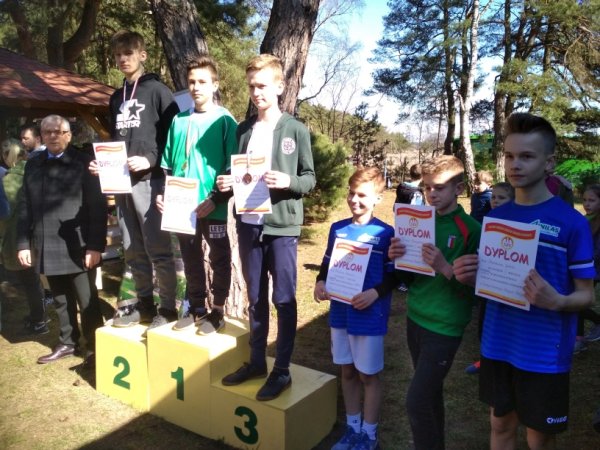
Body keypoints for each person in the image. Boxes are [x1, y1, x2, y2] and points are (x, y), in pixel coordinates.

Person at [453, 113, 595, 449]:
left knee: (538, 437)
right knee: (500, 425)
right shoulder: (495, 217)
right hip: (497, 344)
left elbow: (586, 296)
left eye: (527, 156)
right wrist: (470, 276)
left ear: (549, 163)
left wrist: (557, 301)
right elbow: (493, 282)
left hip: (543, 351)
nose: (515, 164)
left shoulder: (572, 223)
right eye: (509, 155)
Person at [216, 54, 315, 401]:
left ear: (279, 86)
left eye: (262, 86)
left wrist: (288, 180)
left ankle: (282, 370)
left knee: (283, 299)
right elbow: (240, 173)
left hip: (282, 227)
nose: (256, 93)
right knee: (256, 299)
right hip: (248, 224)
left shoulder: (295, 129)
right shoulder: (244, 130)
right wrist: (227, 182)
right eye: (251, 87)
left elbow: (309, 178)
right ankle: (257, 362)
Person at [388, 155, 481, 450]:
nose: (432, 194)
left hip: (445, 327)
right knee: (430, 396)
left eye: (439, 187)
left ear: (459, 188)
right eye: (427, 187)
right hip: (416, 317)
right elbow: (409, 277)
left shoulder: (471, 230)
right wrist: (397, 258)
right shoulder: (418, 221)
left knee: (416, 402)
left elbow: (479, 291)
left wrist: (444, 267)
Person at [90, 30, 179, 329]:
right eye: (118, 55)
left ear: (142, 55)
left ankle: (168, 308)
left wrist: (151, 160)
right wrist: (104, 165)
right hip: (121, 183)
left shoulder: (158, 91)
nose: (122, 59)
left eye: (128, 53)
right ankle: (145, 305)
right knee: (131, 249)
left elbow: (174, 138)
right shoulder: (116, 97)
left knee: (158, 249)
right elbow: (117, 140)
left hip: (150, 182)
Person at [314, 167, 394, 450]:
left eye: (362, 195)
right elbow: (327, 263)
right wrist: (320, 281)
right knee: (347, 371)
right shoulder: (338, 229)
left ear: (378, 199)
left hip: (369, 315)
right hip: (340, 312)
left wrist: (375, 292)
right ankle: (353, 427)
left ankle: (369, 434)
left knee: (368, 375)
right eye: (351, 193)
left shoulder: (386, 233)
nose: (354, 200)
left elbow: (395, 275)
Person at [16, 115, 107, 365]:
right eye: (47, 132)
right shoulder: (33, 164)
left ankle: (95, 347)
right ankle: (68, 342)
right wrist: (23, 243)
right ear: (41, 136)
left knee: (87, 299)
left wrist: (95, 246)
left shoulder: (85, 163)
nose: (53, 136)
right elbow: (24, 206)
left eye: (58, 131)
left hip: (79, 243)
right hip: (45, 242)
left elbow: (98, 207)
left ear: (68, 135)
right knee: (59, 298)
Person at [158, 56, 238, 335]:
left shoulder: (225, 120)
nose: (196, 87)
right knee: (190, 258)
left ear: (215, 85)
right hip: (182, 207)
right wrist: (164, 195)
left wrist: (215, 199)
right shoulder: (178, 120)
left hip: (212, 206)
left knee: (219, 257)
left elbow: (233, 169)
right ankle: (196, 308)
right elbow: (168, 166)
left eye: (202, 82)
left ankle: (218, 310)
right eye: (192, 82)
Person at [465, 181, 515, 374]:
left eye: (502, 197)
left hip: (508, 285)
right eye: (494, 197)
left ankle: (504, 362)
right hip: (487, 283)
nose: (495, 201)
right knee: (485, 323)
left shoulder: (519, 223)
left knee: (506, 326)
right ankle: (485, 360)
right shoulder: (488, 220)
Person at [0, 139, 47, 335]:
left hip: (16, 240)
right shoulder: (38, 172)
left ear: (6, 156)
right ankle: (39, 318)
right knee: (34, 280)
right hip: (40, 235)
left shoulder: (8, 180)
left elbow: (5, 215)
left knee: (29, 281)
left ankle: (38, 321)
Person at [579, 184, 600, 344]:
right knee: (578, 303)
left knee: (578, 303)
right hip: (586, 268)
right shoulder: (586, 219)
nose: (587, 204)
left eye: (591, 200)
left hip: (592, 269)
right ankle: (578, 338)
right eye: (585, 200)